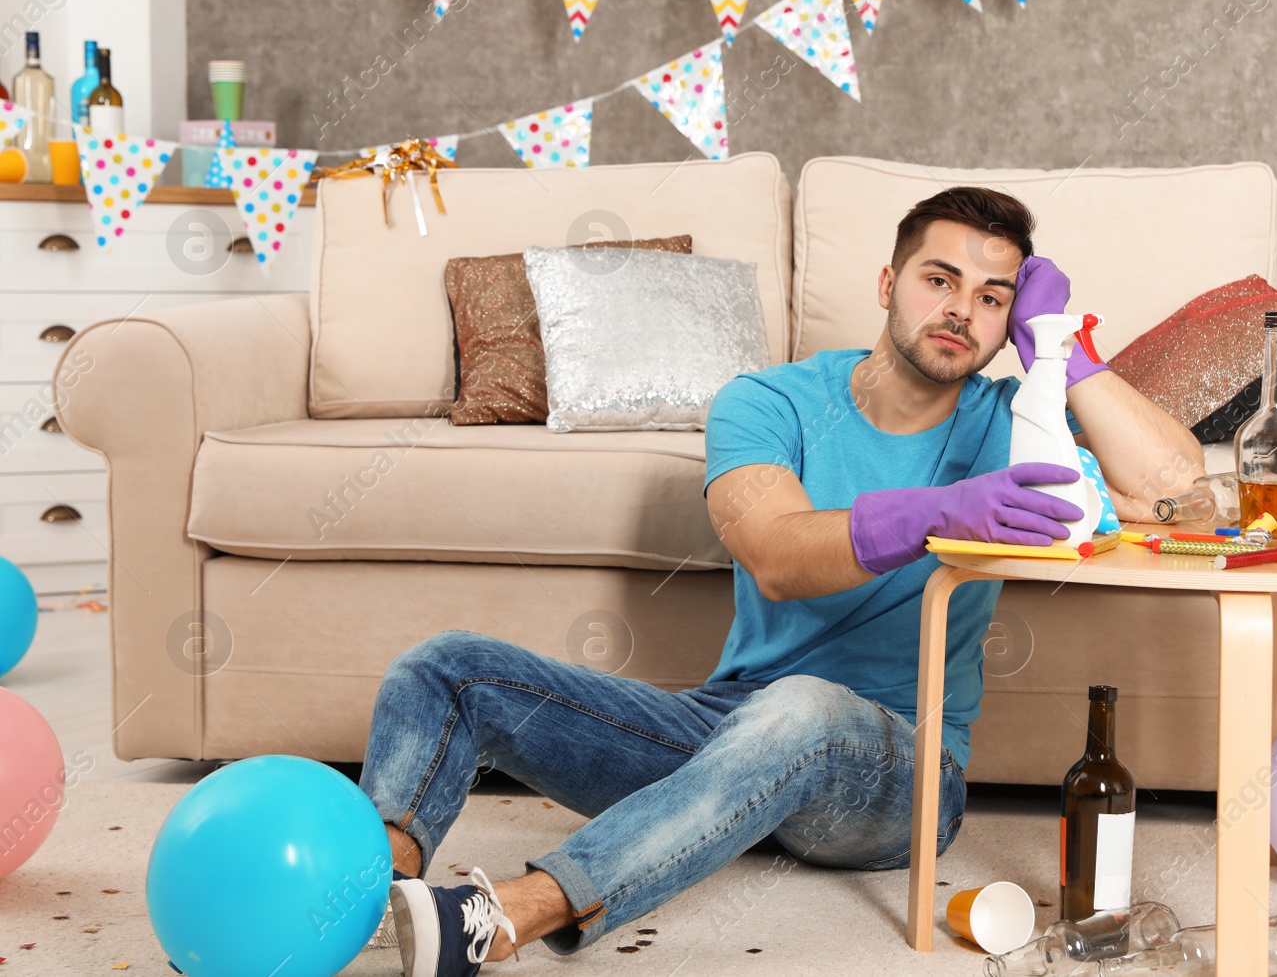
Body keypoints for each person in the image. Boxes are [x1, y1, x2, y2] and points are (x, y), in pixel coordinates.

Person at [357, 186, 1205, 976]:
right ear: (887, 281)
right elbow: (777, 551)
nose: (961, 309)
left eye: (993, 297)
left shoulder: (1015, 425)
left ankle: (505, 917)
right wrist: (938, 512)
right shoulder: (770, 401)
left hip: (902, 774)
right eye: (939, 279)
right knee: (448, 666)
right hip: (727, 728)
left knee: (803, 709)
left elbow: (1177, 492)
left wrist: (1064, 344)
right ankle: (362, 898)